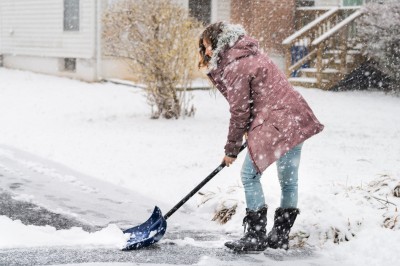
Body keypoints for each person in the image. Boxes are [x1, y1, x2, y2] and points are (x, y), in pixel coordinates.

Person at [198, 22, 324, 252]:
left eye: (208, 46)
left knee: (249, 175)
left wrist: (230, 150)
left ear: (219, 44)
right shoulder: (251, 53)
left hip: (276, 122)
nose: (206, 52)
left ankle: (255, 237)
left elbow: (240, 111)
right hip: (295, 118)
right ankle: (279, 236)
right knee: (289, 181)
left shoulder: (236, 65)